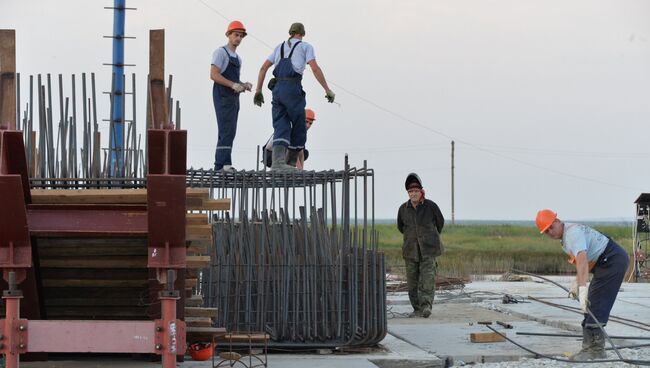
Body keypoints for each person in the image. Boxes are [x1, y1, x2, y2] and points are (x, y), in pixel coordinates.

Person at [536, 209, 629, 360]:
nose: (550, 233)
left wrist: (582, 287)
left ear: (557, 221)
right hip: (606, 261)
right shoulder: (567, 237)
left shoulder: (572, 234)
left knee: (596, 303)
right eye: (546, 232)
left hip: (612, 260)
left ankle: (596, 351)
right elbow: (586, 260)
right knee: (591, 303)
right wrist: (577, 282)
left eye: (551, 227)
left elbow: (582, 259)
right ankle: (590, 348)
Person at [253, 22, 335, 171]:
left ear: (290, 32)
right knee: (299, 125)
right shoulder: (305, 47)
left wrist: (258, 91)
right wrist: (327, 89)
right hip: (292, 89)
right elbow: (315, 68)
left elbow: (263, 68)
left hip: (277, 90)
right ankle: (290, 163)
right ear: (302, 34)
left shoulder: (279, 47)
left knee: (280, 124)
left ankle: (278, 163)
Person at [397, 173, 445, 318]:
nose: (413, 194)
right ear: (408, 193)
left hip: (429, 249)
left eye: (416, 191)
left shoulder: (431, 206)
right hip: (410, 250)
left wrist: (430, 237)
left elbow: (440, 223)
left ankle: (426, 307)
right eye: (410, 191)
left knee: (427, 279)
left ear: (421, 191)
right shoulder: (403, 209)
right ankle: (416, 308)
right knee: (412, 281)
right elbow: (401, 227)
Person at [210, 20, 252, 172]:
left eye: (241, 36)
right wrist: (233, 85)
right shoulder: (221, 52)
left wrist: (243, 84)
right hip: (222, 95)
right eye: (236, 35)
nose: (238, 38)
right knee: (226, 128)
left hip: (233, 97)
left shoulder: (238, 58)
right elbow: (214, 75)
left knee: (230, 129)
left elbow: (234, 80)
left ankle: (220, 164)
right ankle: (223, 164)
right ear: (228, 35)